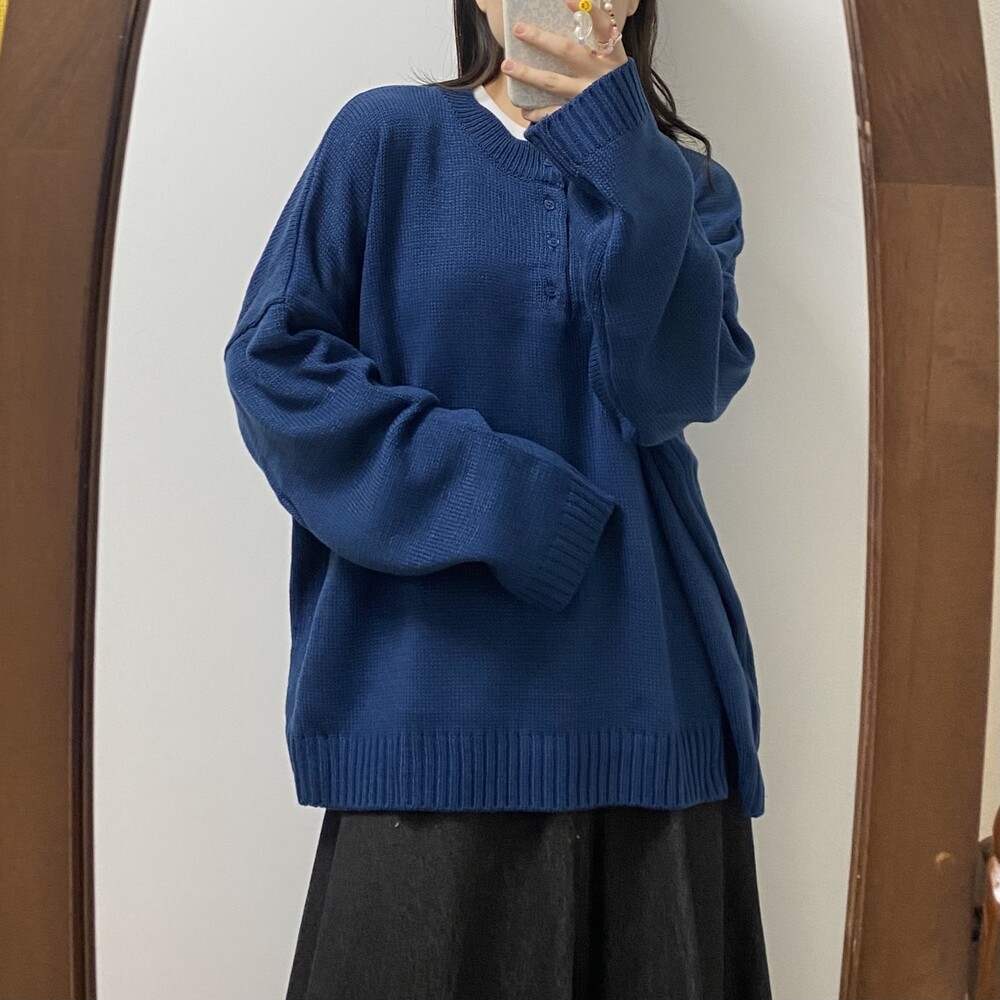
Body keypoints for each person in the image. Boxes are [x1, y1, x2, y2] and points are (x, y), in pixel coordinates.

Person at [223, 0, 771, 996]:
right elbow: (276, 366)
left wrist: (625, 157)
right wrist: (505, 500)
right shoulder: (385, 139)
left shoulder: (684, 185)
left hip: (648, 701)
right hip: (428, 704)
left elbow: (673, 390)